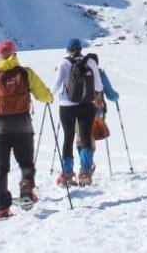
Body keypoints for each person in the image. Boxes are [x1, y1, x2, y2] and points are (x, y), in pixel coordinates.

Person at [0, 39, 54, 219]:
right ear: (15, 55)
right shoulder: (25, 73)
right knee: (26, 163)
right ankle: (26, 186)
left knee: (1, 169)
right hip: (23, 125)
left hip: (1, 128)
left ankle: (2, 207)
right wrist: (49, 98)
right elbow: (44, 95)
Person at [52, 38, 104, 187]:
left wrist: (47, 96)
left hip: (67, 105)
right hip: (87, 104)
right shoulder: (91, 62)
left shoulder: (64, 63)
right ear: (81, 49)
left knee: (68, 138)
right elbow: (99, 86)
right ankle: (86, 172)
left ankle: (67, 174)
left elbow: (56, 85)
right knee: (86, 136)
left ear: (68, 49)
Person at [76, 52, 119, 163]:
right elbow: (111, 95)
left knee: (81, 139)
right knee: (90, 139)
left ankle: (85, 165)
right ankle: (86, 167)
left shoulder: (77, 71)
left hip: (77, 111)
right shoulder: (100, 74)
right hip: (96, 112)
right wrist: (116, 97)